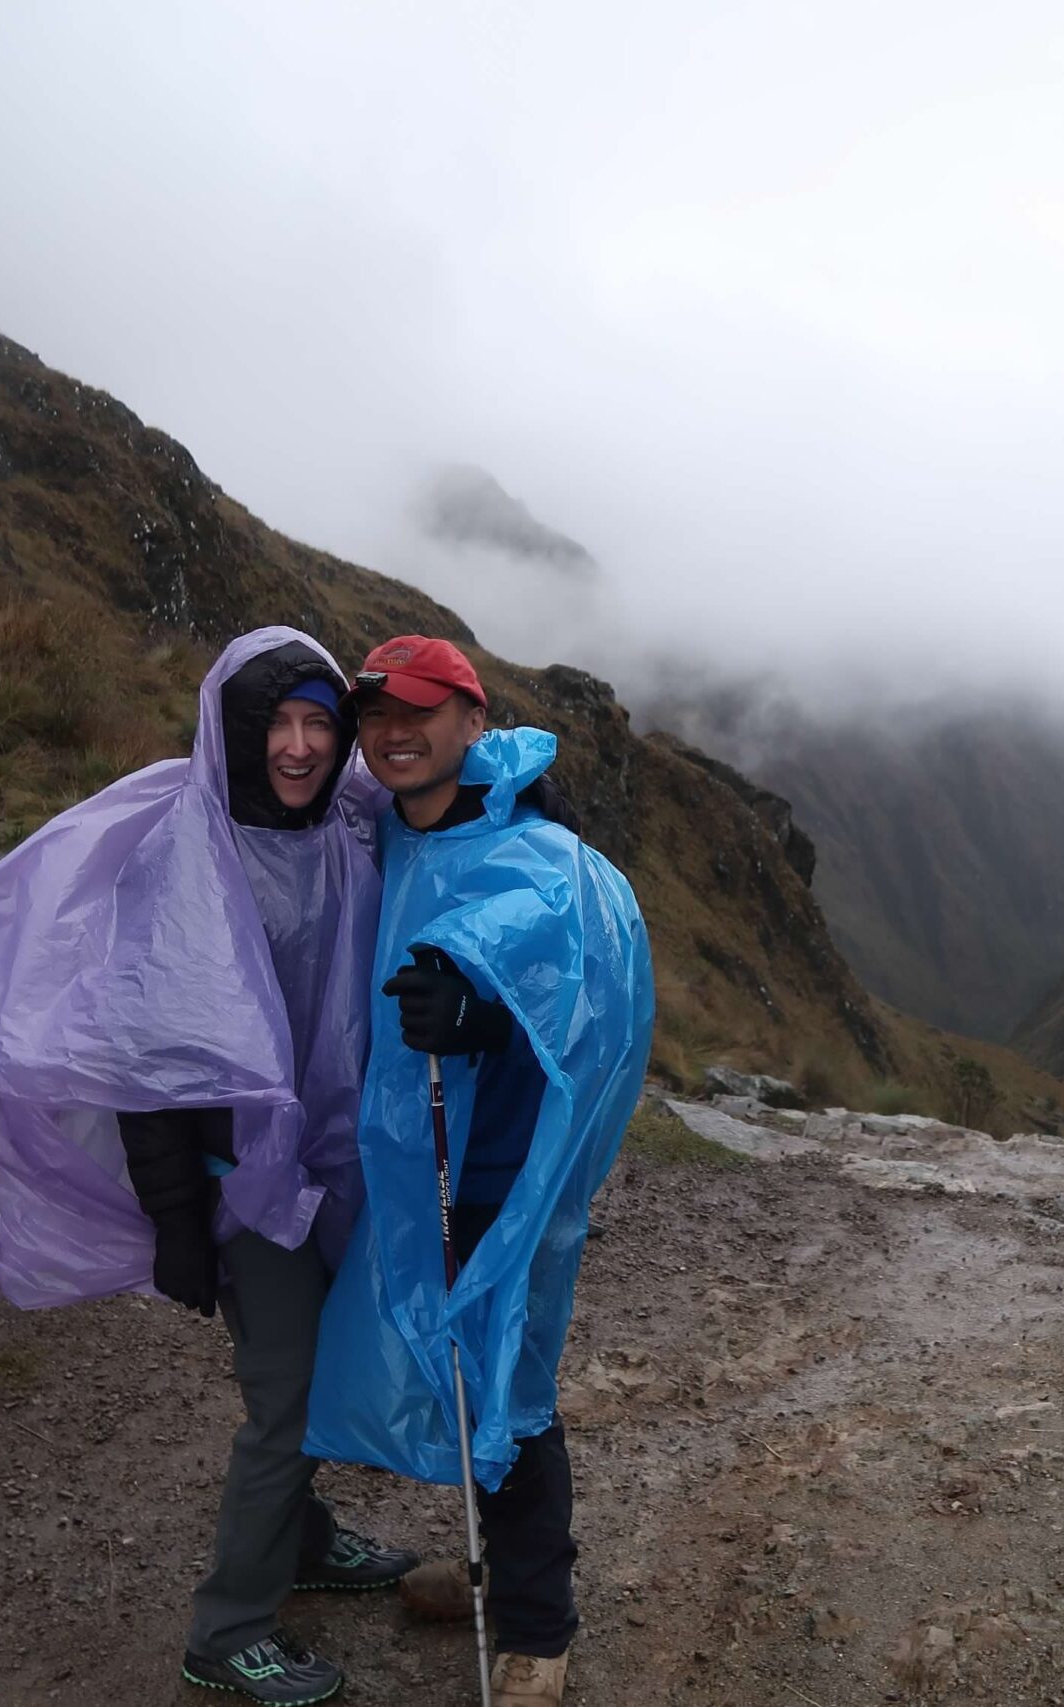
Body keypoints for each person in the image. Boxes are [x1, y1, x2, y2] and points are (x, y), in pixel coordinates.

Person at [0, 628, 410, 1707]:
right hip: (242, 1182)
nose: (296, 747)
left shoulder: (342, 820)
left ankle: (303, 1536)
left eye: (317, 725)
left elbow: (451, 786)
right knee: (285, 1395)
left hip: (327, 1155)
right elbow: (145, 1063)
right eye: (274, 726)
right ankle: (227, 1630)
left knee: (317, 1362)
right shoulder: (185, 852)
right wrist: (180, 1223)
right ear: (234, 732)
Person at [304, 634, 654, 1707]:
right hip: (407, 1155)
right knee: (445, 1360)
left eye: (419, 710)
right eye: (376, 717)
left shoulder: (545, 860)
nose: (393, 733)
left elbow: (584, 986)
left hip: (500, 1166)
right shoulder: (378, 835)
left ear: (472, 719)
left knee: (510, 1375)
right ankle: (493, 1565)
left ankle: (539, 1627)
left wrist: (486, 1011)